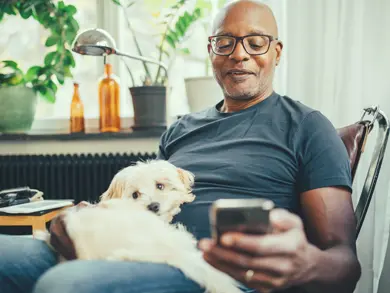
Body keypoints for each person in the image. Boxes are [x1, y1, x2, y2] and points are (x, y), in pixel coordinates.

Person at [0, 1, 360, 293]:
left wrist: (304, 264)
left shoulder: (308, 127)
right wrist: (89, 215)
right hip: (133, 249)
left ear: (277, 52)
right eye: (225, 42)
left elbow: (345, 264)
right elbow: (143, 203)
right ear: (211, 51)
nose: (239, 54)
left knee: (65, 285)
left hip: (210, 270)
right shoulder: (181, 129)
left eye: (256, 41)